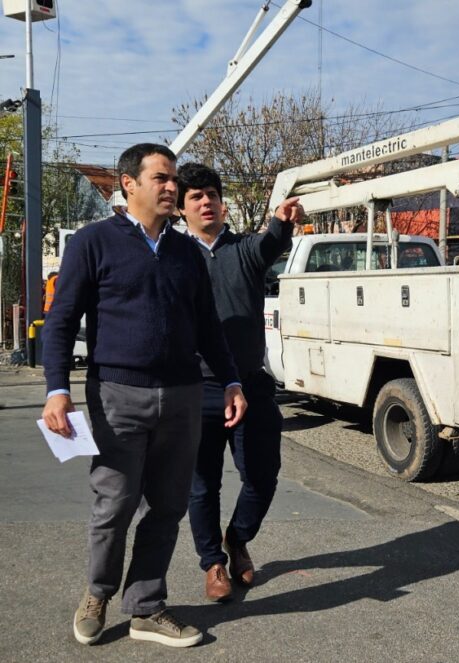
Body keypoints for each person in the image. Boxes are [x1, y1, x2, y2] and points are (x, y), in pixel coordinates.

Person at [41, 143, 247, 649]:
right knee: (115, 501)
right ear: (128, 184)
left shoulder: (186, 252)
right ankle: (98, 593)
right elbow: (62, 320)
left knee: (168, 505)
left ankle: (147, 607)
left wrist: (233, 381)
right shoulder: (93, 242)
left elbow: (208, 328)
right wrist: (57, 390)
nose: (172, 186)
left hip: (181, 396)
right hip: (116, 396)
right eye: (162, 177)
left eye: (173, 178)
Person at [177, 162, 301, 602]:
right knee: (202, 484)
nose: (206, 201)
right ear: (182, 209)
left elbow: (270, 244)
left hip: (249, 383)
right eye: (196, 196)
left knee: (263, 475)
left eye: (211, 194)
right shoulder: (174, 254)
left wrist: (280, 223)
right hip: (196, 389)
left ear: (223, 204)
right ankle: (213, 563)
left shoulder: (243, 250)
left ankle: (238, 538)